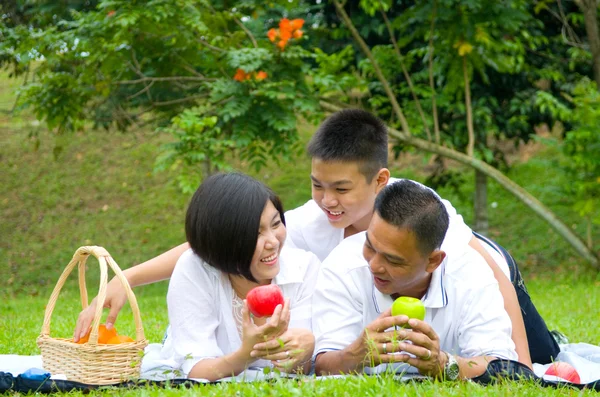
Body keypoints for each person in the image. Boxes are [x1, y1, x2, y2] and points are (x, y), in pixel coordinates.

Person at [74, 109, 558, 366]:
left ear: (379, 181)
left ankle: (544, 343)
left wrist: (518, 362)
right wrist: (127, 279)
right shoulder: (308, 221)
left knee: (537, 356)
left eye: (342, 189)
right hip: (402, 293)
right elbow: (222, 240)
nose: (328, 200)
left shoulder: (417, 208)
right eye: (316, 185)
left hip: (495, 275)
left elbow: (484, 271)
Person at [313, 180, 517, 378]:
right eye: (370, 246)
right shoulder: (342, 266)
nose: (373, 265)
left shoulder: (470, 273)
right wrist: (355, 355)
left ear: (433, 261)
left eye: (393, 260)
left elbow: (502, 367)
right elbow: (323, 365)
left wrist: (444, 364)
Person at [159, 173, 319, 380]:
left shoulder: (304, 267)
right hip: (188, 341)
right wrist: (246, 354)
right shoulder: (194, 269)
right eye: (256, 233)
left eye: (276, 223)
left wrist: (304, 353)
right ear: (224, 242)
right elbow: (196, 369)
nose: (273, 242)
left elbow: (299, 371)